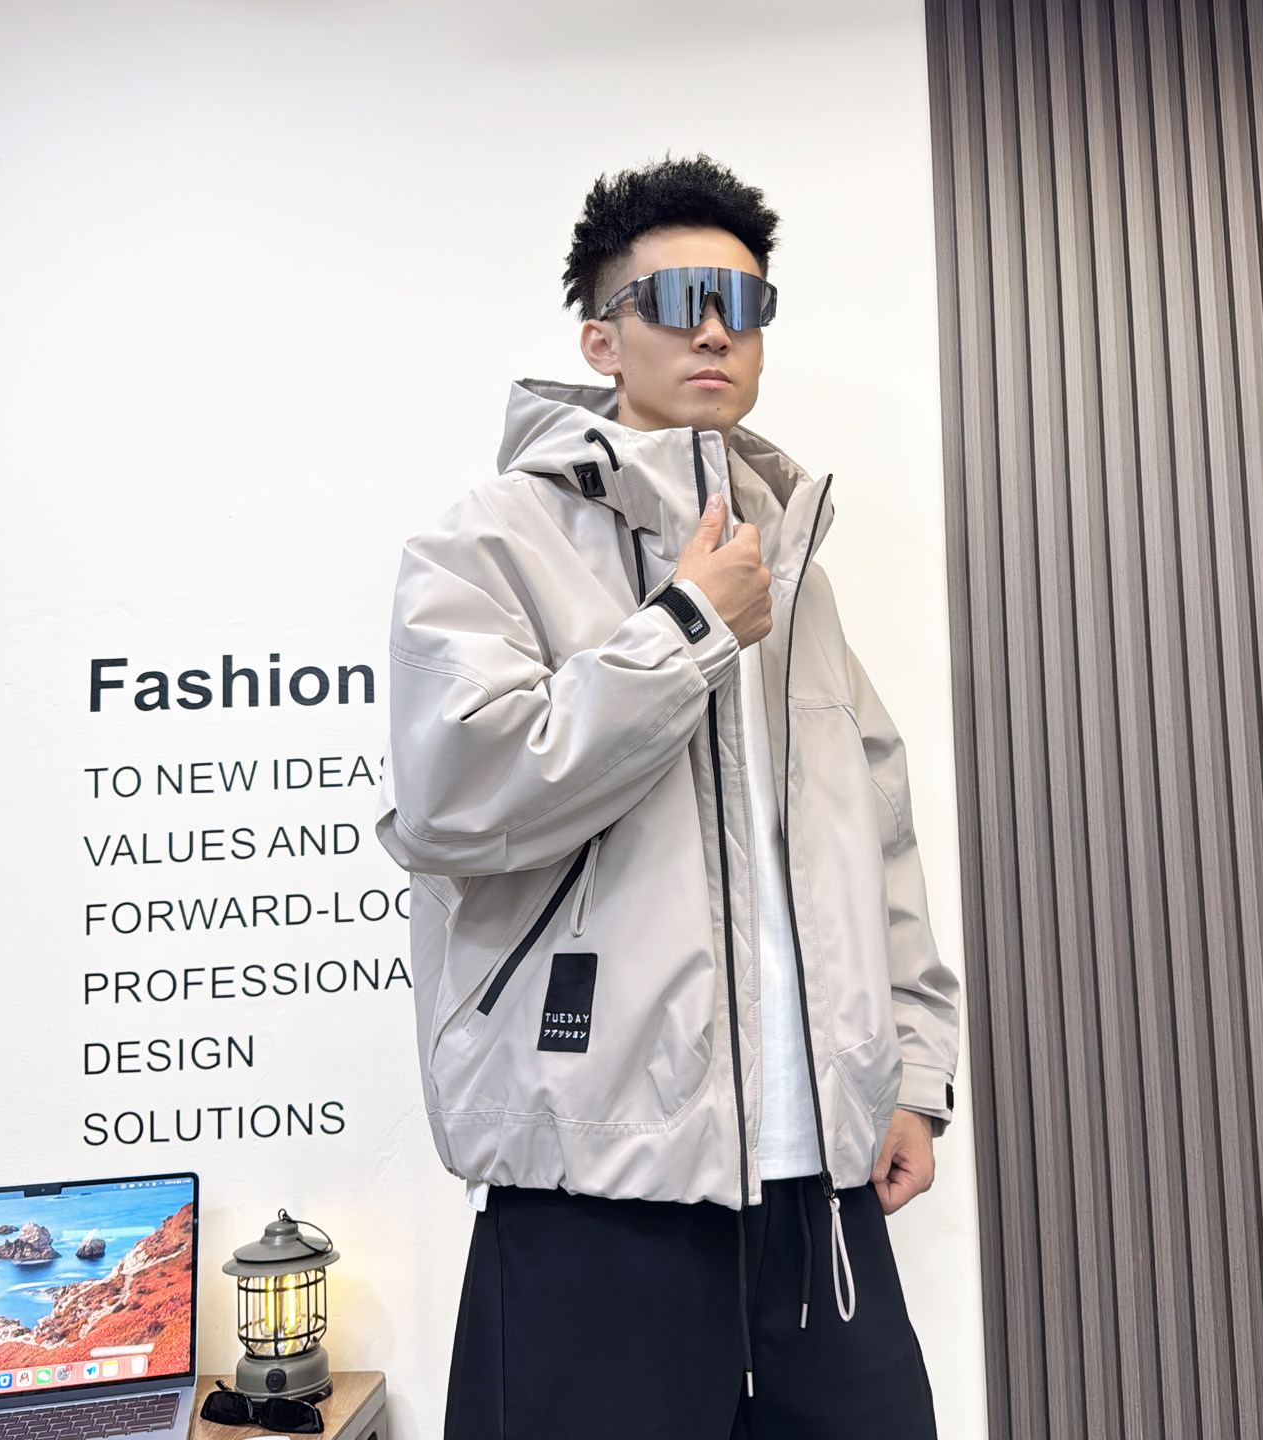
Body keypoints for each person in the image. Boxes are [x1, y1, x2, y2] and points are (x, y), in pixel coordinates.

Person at [377, 154, 961, 1440]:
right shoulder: (489, 542)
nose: (714, 329)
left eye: (742, 303)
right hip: (597, 1191)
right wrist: (688, 626)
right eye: (678, 299)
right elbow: (458, 798)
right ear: (601, 338)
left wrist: (913, 1073)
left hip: (821, 1194)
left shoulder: (794, 571)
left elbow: (878, 839)